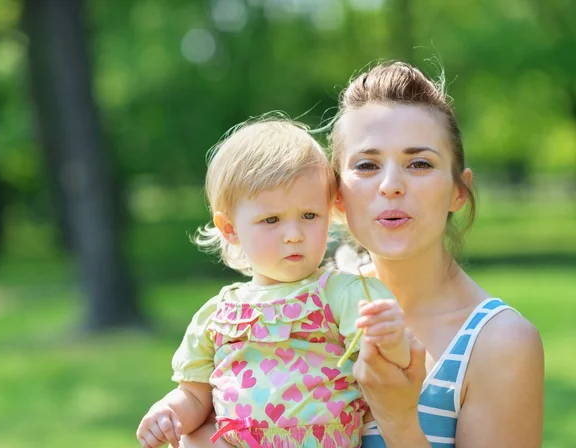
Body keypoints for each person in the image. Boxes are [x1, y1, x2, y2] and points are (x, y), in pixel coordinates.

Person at [136, 118, 411, 448]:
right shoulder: (217, 315)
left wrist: (390, 337)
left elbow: (388, 366)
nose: (294, 235)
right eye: (271, 220)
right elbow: (195, 398)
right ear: (230, 229)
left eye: (309, 216)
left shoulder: (340, 294)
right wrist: (168, 413)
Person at [330, 61, 544, 447]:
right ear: (337, 197)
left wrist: (397, 419)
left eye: (419, 163)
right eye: (367, 165)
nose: (391, 185)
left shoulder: (500, 343)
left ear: (458, 191)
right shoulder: (306, 307)